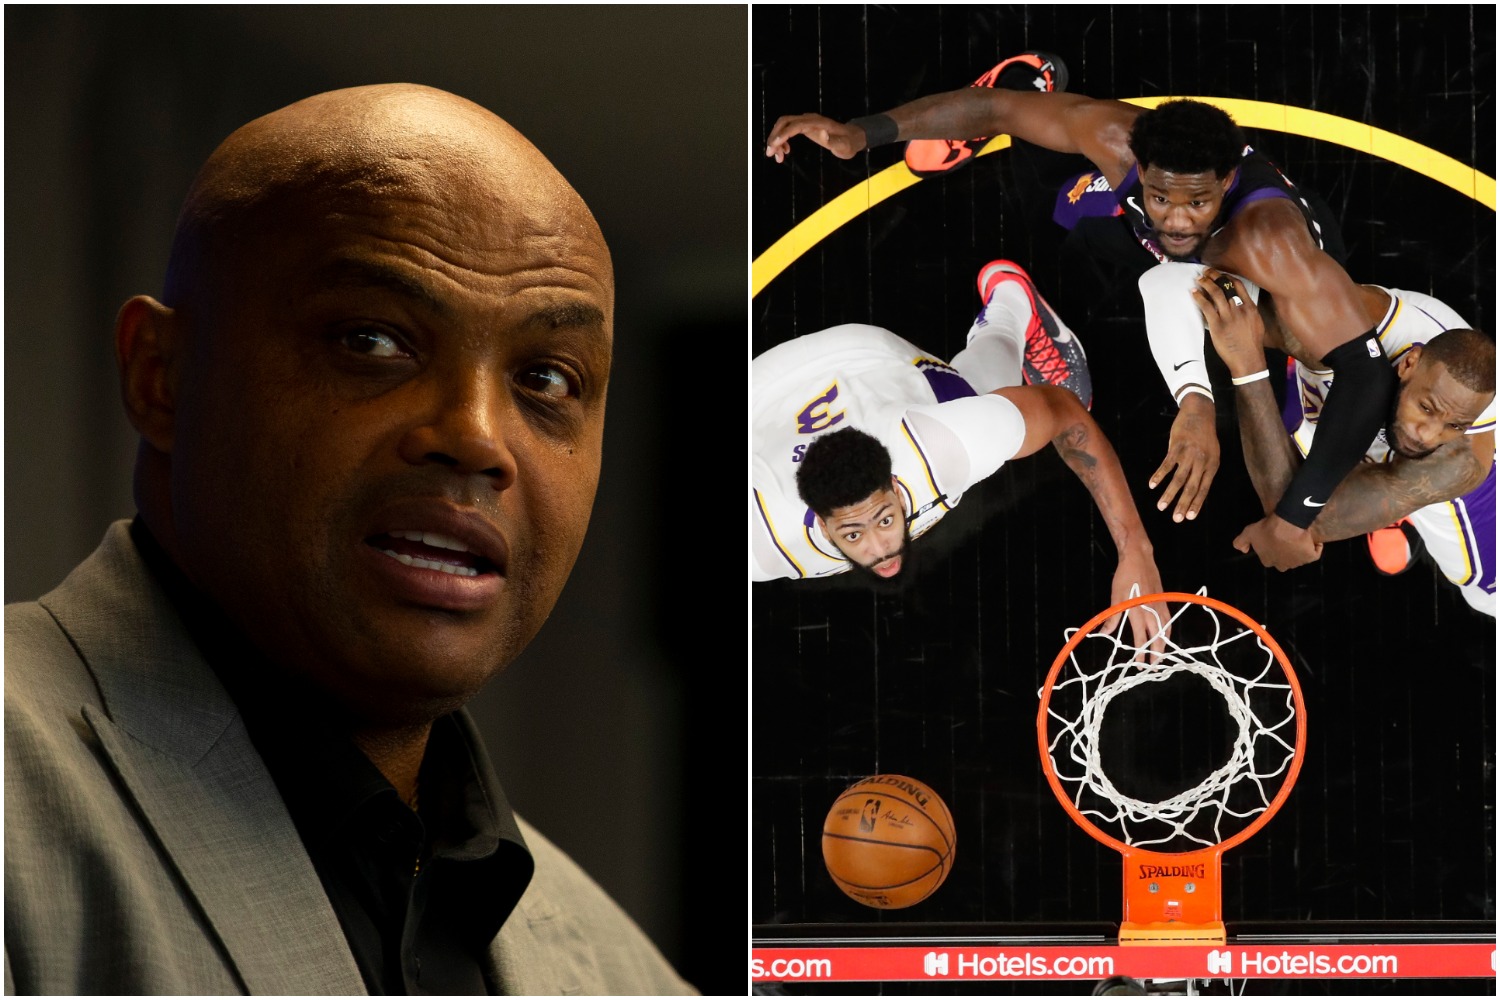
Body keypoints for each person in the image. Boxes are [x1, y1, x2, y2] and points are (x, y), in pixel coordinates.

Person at [4, 84, 695, 995]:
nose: (479, 436)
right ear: (161, 378)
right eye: (373, 340)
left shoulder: (622, 975)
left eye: (546, 377)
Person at [764, 69, 1402, 573]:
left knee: (1299, 389)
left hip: (1270, 291)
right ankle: (1034, 73)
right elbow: (998, 109)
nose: (1177, 220)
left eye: (1198, 202)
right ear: (1139, 170)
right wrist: (864, 133)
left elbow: (1363, 370)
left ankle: (1377, 490)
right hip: (1153, 251)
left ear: (1227, 181)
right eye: (1159, 198)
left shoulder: (1274, 247)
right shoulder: (1116, 142)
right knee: (1059, 198)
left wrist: (1296, 516)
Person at [752, 258, 1165, 646]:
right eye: (853, 534)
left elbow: (1063, 410)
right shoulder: (765, 544)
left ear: (897, 488)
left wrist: (1135, 550)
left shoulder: (939, 448)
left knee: (979, 395)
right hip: (759, 394)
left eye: (884, 519)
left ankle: (1011, 303)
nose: (880, 549)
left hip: (860, 357)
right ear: (823, 528)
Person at [1192, 267, 1496, 614]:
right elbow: (1203, 287)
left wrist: (1246, 365)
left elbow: (1293, 526)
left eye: (1453, 425)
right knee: (1304, 481)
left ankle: (1393, 503)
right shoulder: (1338, 320)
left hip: (1435, 487)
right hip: (1344, 392)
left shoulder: (1460, 460)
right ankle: (1381, 492)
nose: (1428, 434)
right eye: (1425, 407)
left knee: (1484, 594)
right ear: (1409, 363)